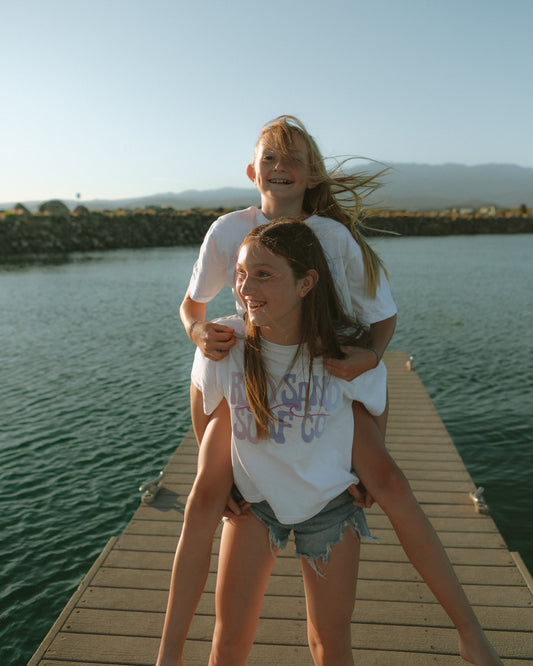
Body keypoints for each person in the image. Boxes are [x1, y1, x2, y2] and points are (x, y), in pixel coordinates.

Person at [191, 220, 503, 665]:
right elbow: (201, 397)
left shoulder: (342, 342)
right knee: (229, 641)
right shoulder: (232, 336)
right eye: (242, 274)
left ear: (307, 283)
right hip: (255, 501)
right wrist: (218, 477)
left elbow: (376, 395)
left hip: (329, 504)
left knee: (330, 640)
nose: (245, 286)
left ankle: (470, 633)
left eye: (264, 274)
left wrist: (363, 474)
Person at [157, 115, 397, 666]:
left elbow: (382, 320)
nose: (279, 166)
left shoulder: (334, 240)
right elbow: (192, 308)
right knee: (231, 634)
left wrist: (371, 357)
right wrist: (198, 331)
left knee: (329, 640)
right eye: (270, 156)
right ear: (251, 171)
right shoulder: (226, 231)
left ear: (312, 175)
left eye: (293, 158)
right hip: (252, 393)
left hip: (320, 395)